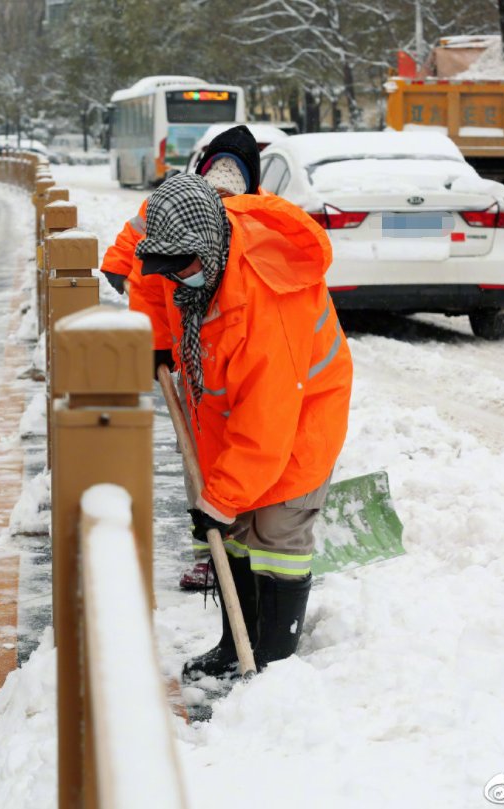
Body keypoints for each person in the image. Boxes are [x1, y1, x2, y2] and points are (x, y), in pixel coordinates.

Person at [135, 173, 352, 680]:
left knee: (275, 528)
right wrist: (160, 338)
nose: (172, 278)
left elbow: (267, 424)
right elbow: (146, 276)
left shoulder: (267, 299)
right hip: (225, 407)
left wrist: (218, 501)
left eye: (180, 268)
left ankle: (272, 666)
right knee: (230, 528)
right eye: (165, 267)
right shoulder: (189, 253)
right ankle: (236, 644)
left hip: (299, 411)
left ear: (208, 251)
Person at [99, 125, 265, 590]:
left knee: (242, 456)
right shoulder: (171, 207)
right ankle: (208, 552)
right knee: (199, 455)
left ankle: (243, 549)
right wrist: (156, 338)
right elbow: (133, 264)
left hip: (240, 361)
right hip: (196, 359)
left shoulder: (257, 218)